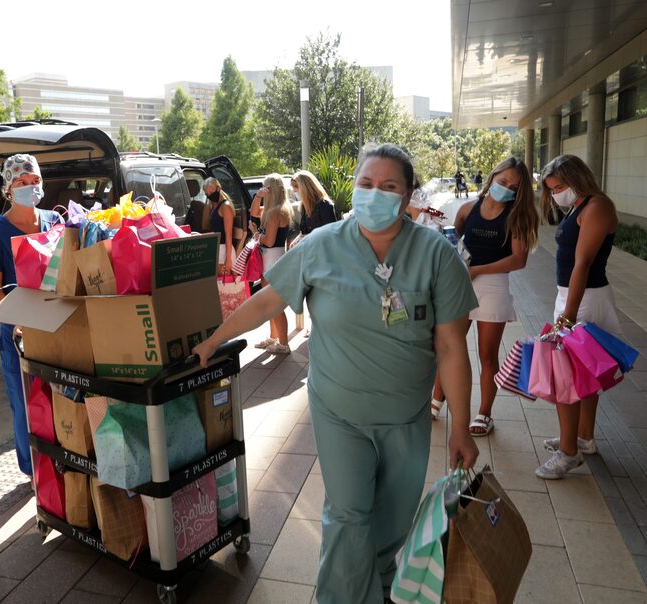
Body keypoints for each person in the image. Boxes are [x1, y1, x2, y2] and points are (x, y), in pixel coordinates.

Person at [194, 144, 479, 603]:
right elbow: (269, 300)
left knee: (392, 521)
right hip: (339, 411)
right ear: (353, 188)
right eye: (366, 184)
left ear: (408, 195)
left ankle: (382, 588)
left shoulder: (436, 255)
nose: (375, 194)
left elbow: (451, 346)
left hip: (406, 416)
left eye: (389, 187)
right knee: (348, 518)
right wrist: (213, 339)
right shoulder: (321, 246)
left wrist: (460, 428)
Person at [430, 158, 539, 434]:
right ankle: (435, 400)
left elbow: (518, 260)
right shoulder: (468, 209)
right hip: (462, 284)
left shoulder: (516, 217)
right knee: (448, 346)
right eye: (503, 182)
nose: (507, 188)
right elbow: (452, 241)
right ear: (492, 177)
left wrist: (477, 269)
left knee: (487, 355)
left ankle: (484, 414)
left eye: (513, 187)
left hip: (493, 287)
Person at [0, 154, 63, 478]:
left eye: (34, 182)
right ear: (7, 189)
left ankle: (64, 466)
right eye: (21, 183)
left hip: (57, 327)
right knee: (26, 406)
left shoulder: (55, 221)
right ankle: (34, 475)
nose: (29, 188)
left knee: (61, 400)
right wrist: (18, 324)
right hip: (19, 334)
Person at [535, 154, 621, 479]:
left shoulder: (597, 206)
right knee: (582, 377)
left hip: (585, 300)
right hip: (573, 298)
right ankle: (583, 438)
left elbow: (582, 264)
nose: (555, 193)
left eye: (559, 186)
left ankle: (568, 453)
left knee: (565, 378)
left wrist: (568, 317)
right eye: (551, 188)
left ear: (577, 178)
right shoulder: (579, 205)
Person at [251, 174, 293, 354]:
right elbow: (253, 212)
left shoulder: (275, 212)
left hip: (272, 258)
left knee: (275, 303)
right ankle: (274, 337)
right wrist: (258, 197)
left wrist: (256, 235)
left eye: (264, 188)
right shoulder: (274, 209)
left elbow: (268, 241)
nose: (262, 190)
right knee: (271, 302)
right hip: (272, 257)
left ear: (270, 190)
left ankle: (283, 343)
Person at [292, 170, 337, 244]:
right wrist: (297, 239)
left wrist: (307, 238)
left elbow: (331, 233)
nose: (294, 190)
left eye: (296, 186)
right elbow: (304, 231)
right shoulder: (304, 205)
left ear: (305, 187)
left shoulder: (325, 205)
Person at [204, 177, 235, 275]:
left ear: (218, 188)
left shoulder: (225, 206)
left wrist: (228, 259)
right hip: (218, 248)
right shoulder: (215, 206)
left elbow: (229, 235)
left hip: (224, 250)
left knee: (224, 286)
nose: (209, 196)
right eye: (207, 194)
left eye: (211, 192)